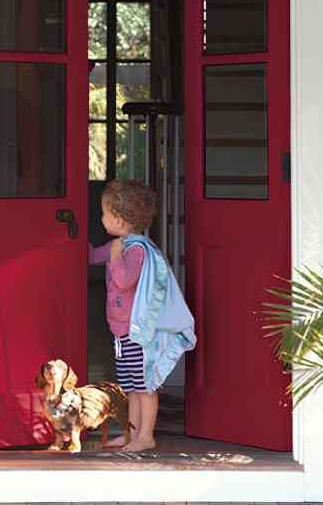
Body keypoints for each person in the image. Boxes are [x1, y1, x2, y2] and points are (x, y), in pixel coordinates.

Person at [88, 179, 195, 452]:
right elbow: (93, 257)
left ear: (121, 220)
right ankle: (130, 434)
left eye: (104, 213)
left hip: (138, 333)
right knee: (131, 387)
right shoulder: (121, 244)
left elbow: (124, 280)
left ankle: (145, 436)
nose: (101, 218)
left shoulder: (138, 250)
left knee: (145, 386)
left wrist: (113, 255)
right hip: (121, 333)